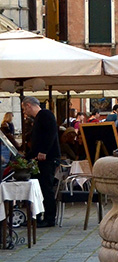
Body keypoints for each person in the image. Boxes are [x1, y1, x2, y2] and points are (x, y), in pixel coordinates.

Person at [21, 97, 59, 227]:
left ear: (29, 105)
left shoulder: (45, 114)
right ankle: (36, 216)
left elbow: (51, 133)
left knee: (46, 188)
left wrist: (44, 151)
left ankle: (49, 218)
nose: (24, 112)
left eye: (24, 108)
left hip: (47, 158)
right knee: (37, 189)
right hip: (39, 158)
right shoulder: (38, 118)